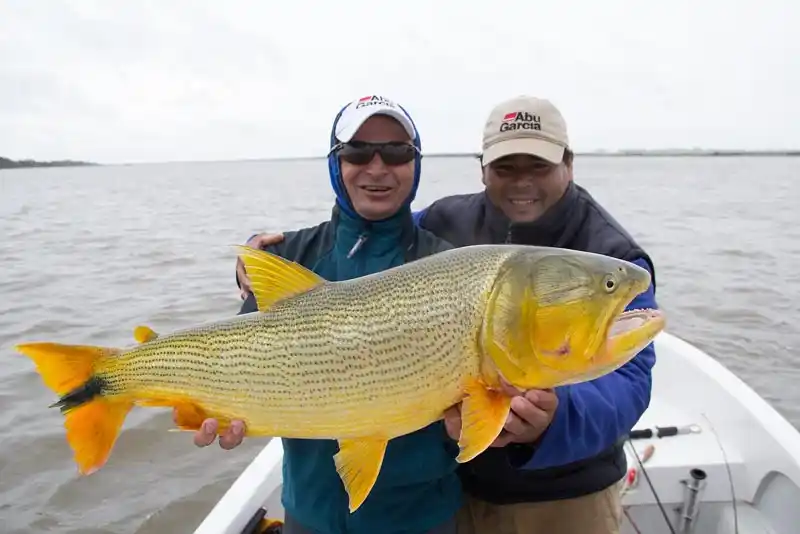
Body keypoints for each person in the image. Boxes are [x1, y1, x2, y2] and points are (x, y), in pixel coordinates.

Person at [236, 95, 659, 534]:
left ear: (567, 164)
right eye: (506, 167)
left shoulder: (610, 253)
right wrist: (266, 252)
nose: (522, 182)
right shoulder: (447, 220)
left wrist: (551, 420)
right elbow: (378, 225)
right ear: (483, 169)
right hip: (468, 488)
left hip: (561, 492)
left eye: (538, 166)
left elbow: (630, 381)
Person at [191, 95, 462, 534]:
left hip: (421, 519)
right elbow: (239, 355)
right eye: (358, 152)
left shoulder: (450, 268)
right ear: (336, 163)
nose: (378, 167)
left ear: (416, 163)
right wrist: (213, 409)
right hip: (308, 514)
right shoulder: (290, 255)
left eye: (397, 152)